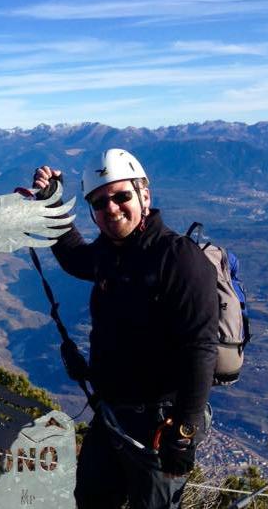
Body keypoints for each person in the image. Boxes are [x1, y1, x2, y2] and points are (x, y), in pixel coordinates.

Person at [31, 148, 219, 509]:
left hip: (160, 423)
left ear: (144, 195)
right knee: (90, 500)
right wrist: (51, 201)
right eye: (100, 203)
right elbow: (74, 257)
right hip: (112, 415)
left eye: (121, 196)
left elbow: (201, 349)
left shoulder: (178, 258)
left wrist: (184, 433)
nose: (112, 208)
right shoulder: (111, 252)